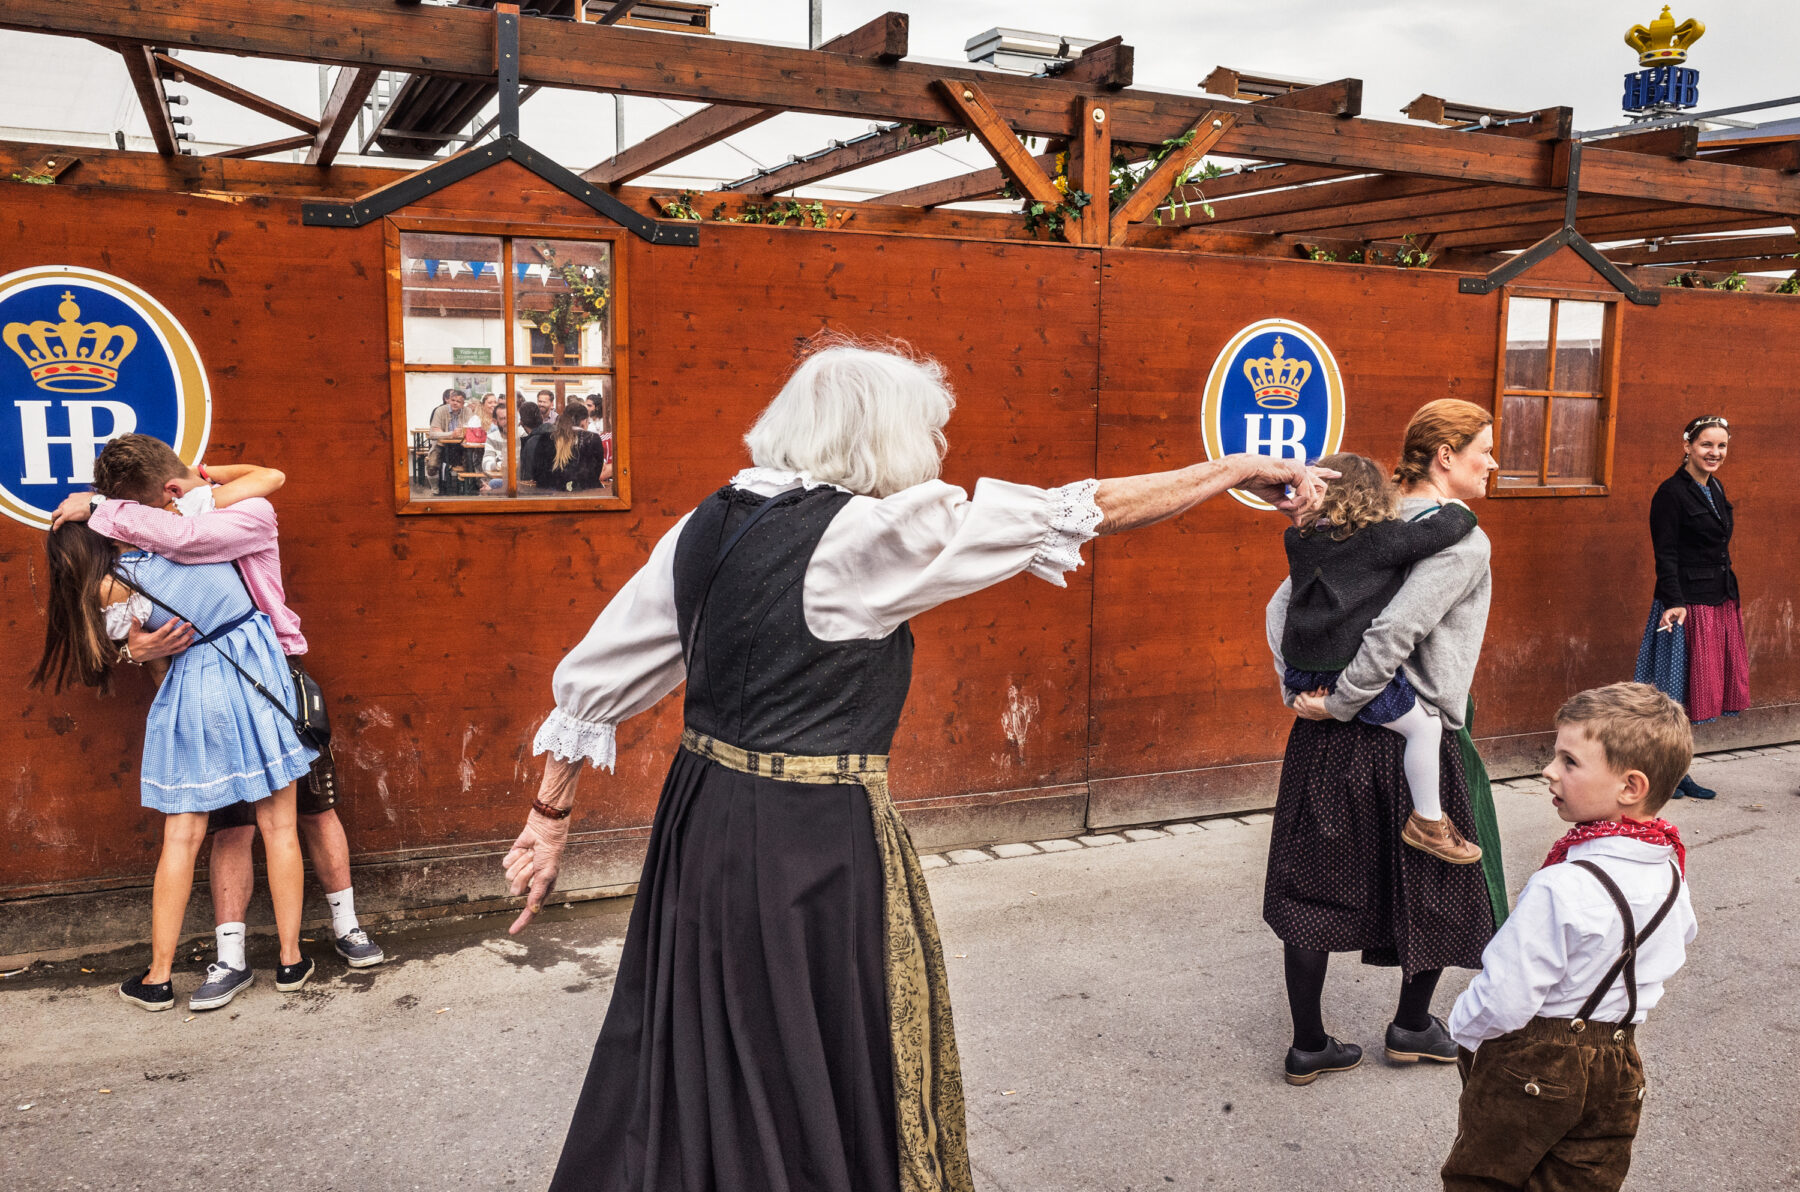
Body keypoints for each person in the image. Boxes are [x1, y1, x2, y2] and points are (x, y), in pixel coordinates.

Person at [501, 338, 1330, 1192]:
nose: (939, 452)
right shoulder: (867, 536)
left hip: (702, 816)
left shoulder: (713, 517)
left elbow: (599, 676)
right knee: (803, 1035)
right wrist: (1229, 466)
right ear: (879, 434)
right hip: (808, 839)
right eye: (930, 433)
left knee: (708, 1025)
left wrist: (548, 817)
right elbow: (1087, 508)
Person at [51, 436, 384, 1013]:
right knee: (275, 823)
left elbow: (233, 503)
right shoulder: (187, 541)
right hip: (262, 680)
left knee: (263, 818)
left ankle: (166, 974)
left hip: (214, 690)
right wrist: (138, 647)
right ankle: (279, 956)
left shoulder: (162, 556)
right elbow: (215, 513)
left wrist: (104, 514)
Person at [1264, 398, 1507, 1085]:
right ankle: (1409, 1026)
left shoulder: (1357, 512)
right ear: (1445, 457)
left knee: (1313, 883)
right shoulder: (1461, 539)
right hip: (1404, 727)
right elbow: (1396, 631)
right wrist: (1344, 699)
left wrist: (1302, 692)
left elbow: (1284, 603)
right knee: (1432, 874)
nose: (1493, 461)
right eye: (1484, 449)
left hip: (1327, 730)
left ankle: (1309, 1043)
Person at [1441, 682, 1696, 1192]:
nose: (1549, 770)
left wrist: (1464, 1030)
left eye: (1569, 761)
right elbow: (1673, 947)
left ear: (1631, 786)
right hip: (1619, 1063)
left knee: (1484, 1177)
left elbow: (1507, 996)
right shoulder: (1669, 868)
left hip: (1533, 1060)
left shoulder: (1563, 883)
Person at [1279, 452, 1482, 864]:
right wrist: (1460, 510)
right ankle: (1427, 821)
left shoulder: (1297, 540)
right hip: (1345, 674)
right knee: (1424, 728)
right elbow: (1435, 535)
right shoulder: (1379, 540)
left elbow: (1277, 606)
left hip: (1303, 669)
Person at [1635, 415, 1745, 801]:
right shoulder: (1671, 493)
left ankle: (1679, 770)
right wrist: (1674, 602)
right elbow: (1664, 554)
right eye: (1706, 445)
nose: (1715, 453)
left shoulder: (1714, 488)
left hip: (1717, 599)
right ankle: (1663, 772)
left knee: (1693, 693)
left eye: (1722, 446)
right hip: (1684, 605)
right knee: (1672, 692)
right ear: (1687, 446)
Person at [535, 399, 611, 492]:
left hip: (551, 495)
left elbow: (537, 473)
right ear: (584, 421)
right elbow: (596, 474)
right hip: (585, 495)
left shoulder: (546, 437)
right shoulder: (592, 438)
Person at [425, 388, 467, 493]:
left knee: (471, 463)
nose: (455, 403)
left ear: (463, 404)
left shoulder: (467, 411)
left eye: (458, 401)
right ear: (448, 400)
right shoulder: (440, 410)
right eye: (453, 400)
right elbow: (432, 434)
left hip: (462, 446)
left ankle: (467, 488)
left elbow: (471, 429)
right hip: (441, 445)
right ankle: (435, 488)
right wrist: (450, 434)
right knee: (432, 465)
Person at [518, 400, 553, 487]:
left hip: (539, 491)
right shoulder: (555, 433)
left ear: (521, 422)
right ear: (541, 417)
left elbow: (527, 479)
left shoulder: (531, 443)